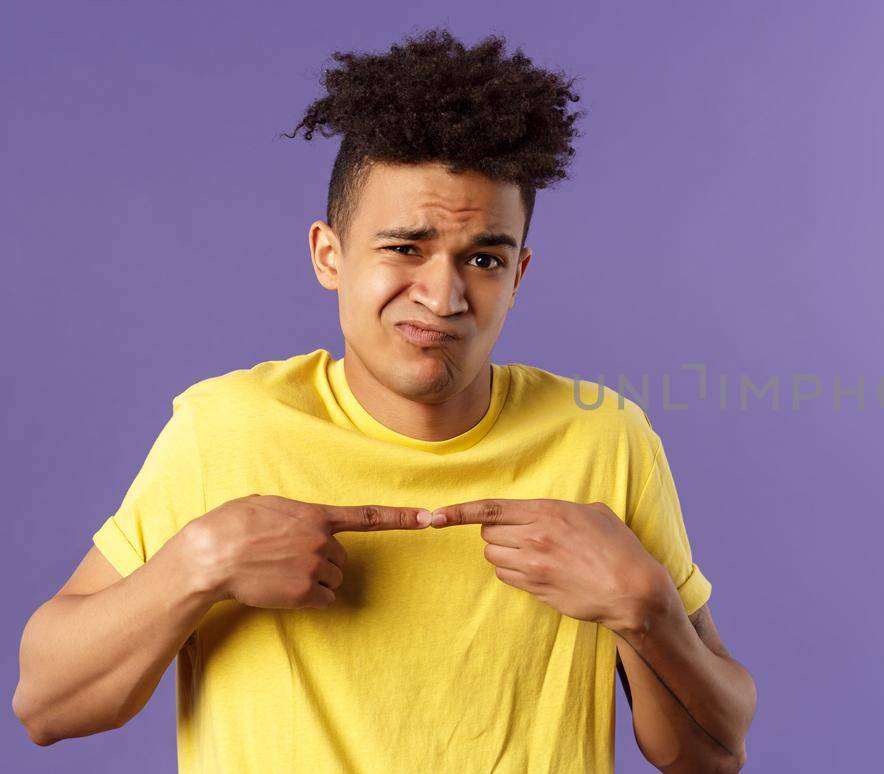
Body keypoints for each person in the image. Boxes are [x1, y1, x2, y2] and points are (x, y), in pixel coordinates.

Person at [11, 27, 756, 773]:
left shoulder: (605, 441)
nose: (442, 295)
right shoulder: (225, 432)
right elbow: (45, 706)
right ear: (328, 255)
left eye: (484, 259)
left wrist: (648, 609)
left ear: (520, 274)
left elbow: (711, 755)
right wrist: (199, 565)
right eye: (405, 248)